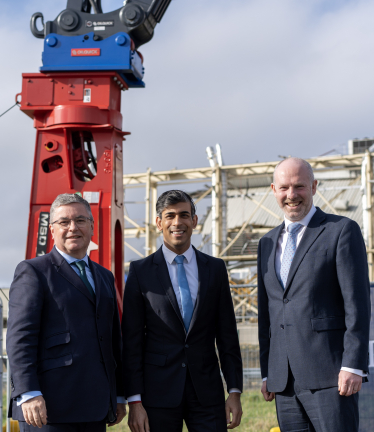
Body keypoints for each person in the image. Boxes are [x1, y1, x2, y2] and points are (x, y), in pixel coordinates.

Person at [257, 157, 371, 432]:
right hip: (283, 383)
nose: (291, 195)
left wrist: (354, 366)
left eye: (299, 186)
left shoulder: (341, 230)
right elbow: (268, 313)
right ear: (274, 190)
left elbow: (357, 304)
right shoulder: (267, 243)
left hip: (331, 377)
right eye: (284, 188)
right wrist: (267, 372)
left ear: (314, 187)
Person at [122, 190, 243, 432]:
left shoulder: (215, 270)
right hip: (157, 395)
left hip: (207, 393)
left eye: (184, 215)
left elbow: (227, 334)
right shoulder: (140, 272)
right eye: (170, 216)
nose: (177, 222)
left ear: (194, 221)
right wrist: (134, 401)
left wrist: (234, 391)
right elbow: (131, 341)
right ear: (159, 223)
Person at [7, 193, 127, 431]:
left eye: (80, 220)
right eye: (64, 222)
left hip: (95, 407)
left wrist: (118, 395)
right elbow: (20, 338)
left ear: (92, 226)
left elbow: (113, 340)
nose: (73, 227)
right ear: (52, 229)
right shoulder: (33, 272)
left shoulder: (104, 276)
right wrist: (28, 392)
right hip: (47, 408)